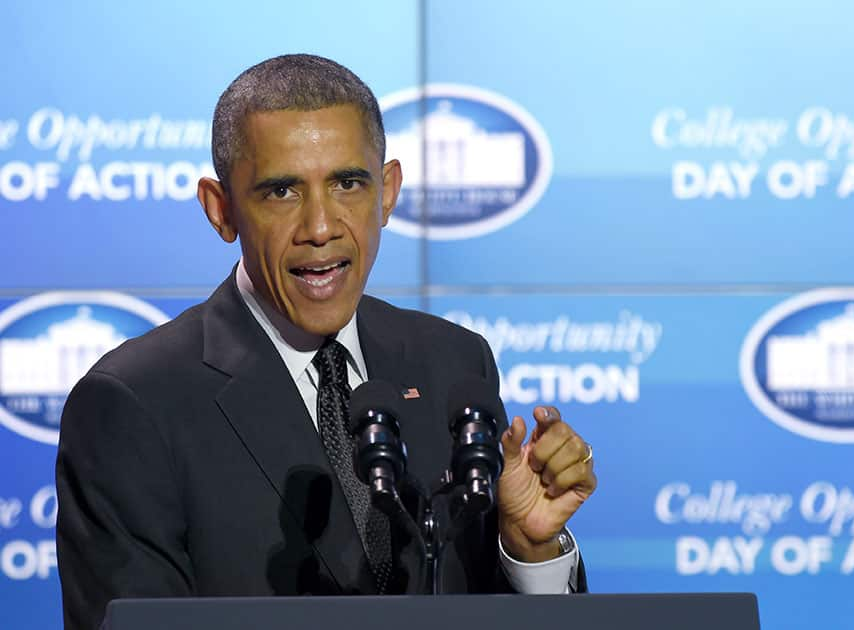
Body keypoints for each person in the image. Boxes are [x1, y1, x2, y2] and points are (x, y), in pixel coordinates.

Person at [55, 54, 597, 630]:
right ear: (222, 210)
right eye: (282, 191)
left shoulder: (453, 364)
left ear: (387, 192)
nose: (320, 227)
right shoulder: (135, 404)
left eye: (347, 183)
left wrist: (530, 548)